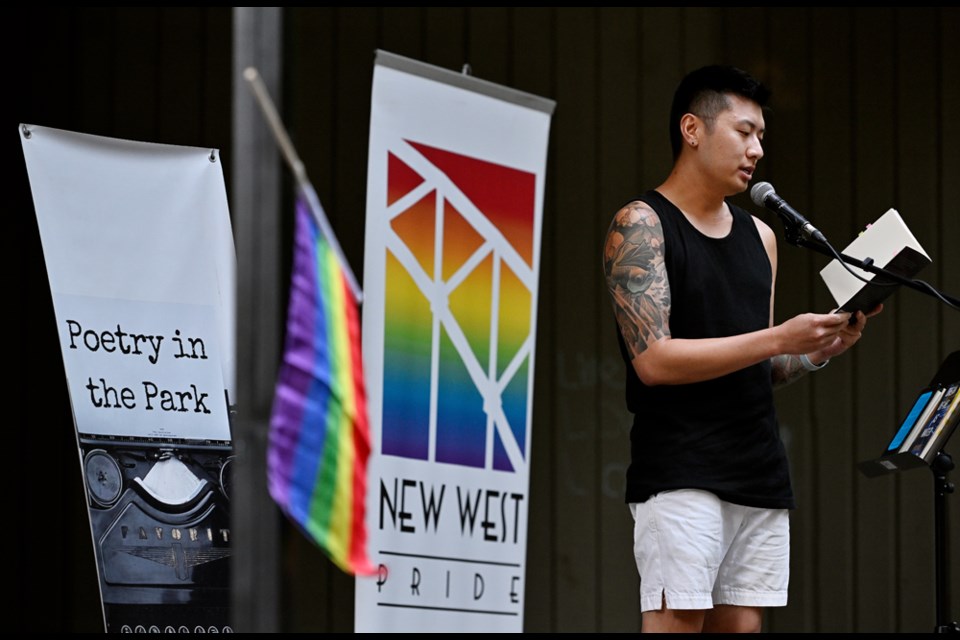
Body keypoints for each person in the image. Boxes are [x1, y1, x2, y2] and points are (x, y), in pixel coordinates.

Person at [601, 65, 880, 633]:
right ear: (692, 128)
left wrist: (821, 347)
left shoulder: (763, 236)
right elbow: (654, 361)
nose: (756, 150)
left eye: (761, 138)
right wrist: (779, 336)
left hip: (758, 470)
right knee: (678, 621)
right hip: (680, 470)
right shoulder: (641, 224)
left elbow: (759, 362)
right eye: (743, 131)